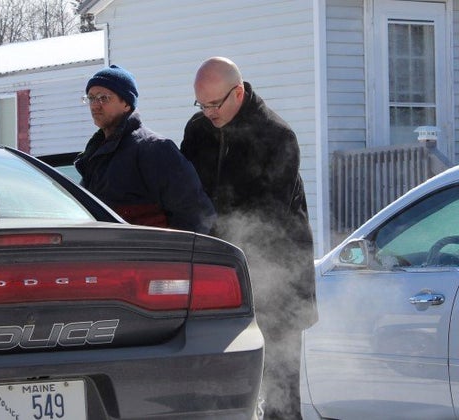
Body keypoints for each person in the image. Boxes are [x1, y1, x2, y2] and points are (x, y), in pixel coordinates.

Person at [181, 57, 317, 419]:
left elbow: (266, 222)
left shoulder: (277, 136)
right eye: (201, 104)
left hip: (277, 282)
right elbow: (187, 194)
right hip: (218, 279)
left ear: (237, 93)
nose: (207, 112)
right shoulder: (198, 130)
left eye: (214, 104)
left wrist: (219, 240)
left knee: (279, 389)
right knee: (219, 388)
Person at [75, 64, 216, 234]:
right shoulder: (93, 156)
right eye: (90, 98)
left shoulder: (154, 150)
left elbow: (197, 216)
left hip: (146, 258)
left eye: (103, 98)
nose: (95, 105)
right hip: (106, 258)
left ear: (127, 104)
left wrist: (167, 257)